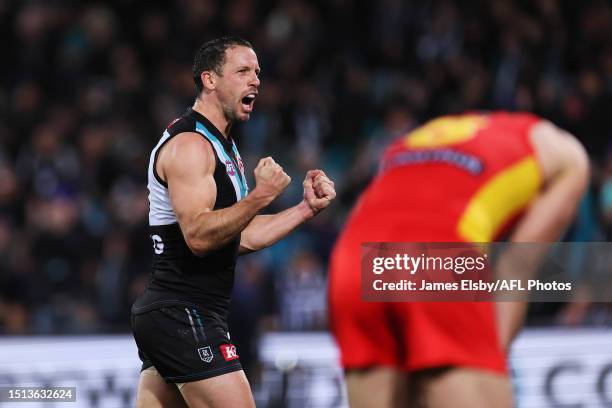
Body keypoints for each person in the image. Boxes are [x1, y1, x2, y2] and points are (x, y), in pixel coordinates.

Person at [328, 112, 589, 407]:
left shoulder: (418, 139)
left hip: (352, 257)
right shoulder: (569, 158)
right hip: (437, 252)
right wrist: (487, 360)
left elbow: (366, 209)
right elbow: (514, 272)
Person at [131, 36, 336, 408]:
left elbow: (238, 236)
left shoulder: (222, 145)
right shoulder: (190, 145)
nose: (255, 80)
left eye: (257, 72)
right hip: (182, 311)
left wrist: (305, 210)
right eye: (242, 71)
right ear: (209, 79)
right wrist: (260, 195)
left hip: (183, 313)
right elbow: (198, 235)